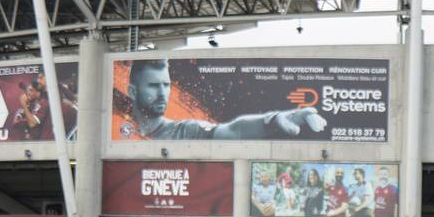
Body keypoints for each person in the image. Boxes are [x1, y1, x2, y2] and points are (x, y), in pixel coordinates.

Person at [120, 59, 328, 140]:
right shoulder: (119, 131)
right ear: (133, 91)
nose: (162, 93)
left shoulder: (185, 131)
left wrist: (275, 120)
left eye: (166, 85)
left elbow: (232, 129)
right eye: (153, 85)